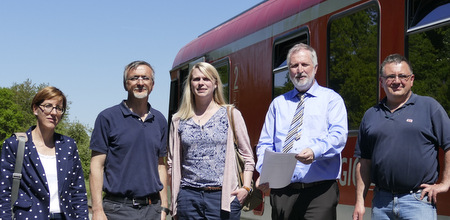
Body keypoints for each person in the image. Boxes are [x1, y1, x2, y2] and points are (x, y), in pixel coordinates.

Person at [255, 43, 348, 220]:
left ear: (315, 68)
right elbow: (265, 144)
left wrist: (315, 151)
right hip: (283, 191)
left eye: (304, 64)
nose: (299, 70)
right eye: (294, 65)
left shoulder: (331, 100)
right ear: (289, 70)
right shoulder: (278, 104)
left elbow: (338, 136)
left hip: (319, 192)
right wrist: (264, 172)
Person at [353, 54, 450, 220]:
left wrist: (445, 183)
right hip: (381, 203)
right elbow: (364, 162)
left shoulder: (429, 107)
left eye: (402, 76)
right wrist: (359, 201)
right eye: (390, 76)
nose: (397, 81)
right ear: (381, 81)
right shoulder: (371, 115)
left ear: (411, 79)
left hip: (418, 202)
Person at [167, 62, 255, 219]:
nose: (201, 83)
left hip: (223, 197)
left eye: (206, 79)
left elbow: (248, 157)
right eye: (196, 79)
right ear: (190, 85)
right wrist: (176, 201)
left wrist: (246, 188)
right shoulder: (178, 120)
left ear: (215, 83)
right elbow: (171, 164)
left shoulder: (231, 115)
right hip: (188, 197)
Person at [89, 60, 169, 220]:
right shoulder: (107, 117)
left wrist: (164, 206)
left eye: (145, 78)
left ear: (152, 85)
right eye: (134, 78)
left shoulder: (159, 120)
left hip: (152, 209)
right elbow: (96, 166)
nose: (140, 82)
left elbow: (160, 165)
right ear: (126, 85)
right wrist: (97, 210)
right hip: (117, 210)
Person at [0, 86, 89, 219]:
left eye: (58, 108)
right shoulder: (16, 145)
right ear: (35, 109)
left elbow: (78, 192)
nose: (53, 112)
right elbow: (3, 192)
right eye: (48, 106)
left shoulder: (68, 146)